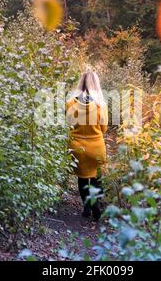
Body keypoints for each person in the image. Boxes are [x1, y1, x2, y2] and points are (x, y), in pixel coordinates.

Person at [66, 70, 108, 221]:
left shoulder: (70, 103)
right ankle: (96, 207)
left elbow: (69, 125)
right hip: (96, 147)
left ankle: (86, 208)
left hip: (77, 148)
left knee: (83, 179)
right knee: (97, 178)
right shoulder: (100, 105)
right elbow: (104, 129)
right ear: (96, 84)